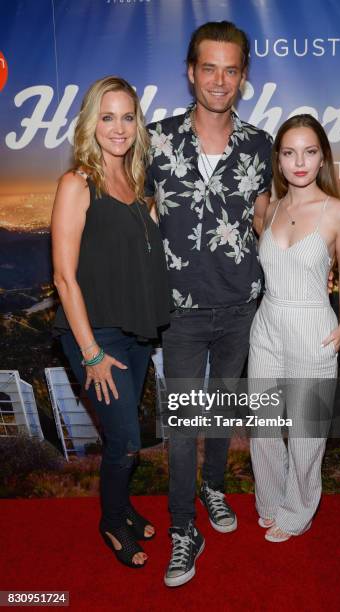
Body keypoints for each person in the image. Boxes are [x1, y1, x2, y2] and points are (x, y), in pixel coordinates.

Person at [145, 21, 273, 586]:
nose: (219, 80)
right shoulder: (155, 139)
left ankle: (215, 488)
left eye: (231, 69)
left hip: (239, 308)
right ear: (190, 72)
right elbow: (136, 217)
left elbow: (265, 221)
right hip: (178, 313)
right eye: (208, 68)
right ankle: (181, 528)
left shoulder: (259, 144)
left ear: (243, 77)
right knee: (180, 424)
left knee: (221, 410)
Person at [52, 76, 170, 568]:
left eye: (126, 117)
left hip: (137, 331)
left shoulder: (140, 183)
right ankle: (110, 521)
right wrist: (91, 352)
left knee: (129, 439)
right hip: (96, 333)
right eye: (107, 117)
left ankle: (122, 506)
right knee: (123, 440)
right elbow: (63, 276)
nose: (118, 128)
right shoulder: (78, 182)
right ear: (90, 123)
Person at [249, 114, 340, 542]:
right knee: (263, 424)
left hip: (312, 324)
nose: (300, 162)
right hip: (267, 323)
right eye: (290, 152)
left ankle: (299, 509)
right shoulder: (270, 207)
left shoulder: (338, 213)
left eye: (310, 152)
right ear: (278, 159)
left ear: (322, 158)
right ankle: (271, 500)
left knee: (306, 430)